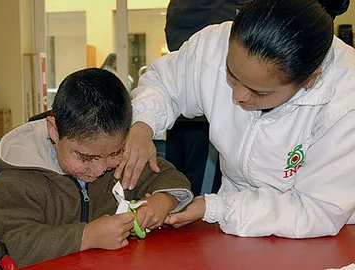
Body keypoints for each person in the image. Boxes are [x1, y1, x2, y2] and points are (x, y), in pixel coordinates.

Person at [114, 0, 355, 238]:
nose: (238, 96)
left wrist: (218, 207)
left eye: (259, 92)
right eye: (231, 74)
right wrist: (143, 123)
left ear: (310, 79)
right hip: (235, 224)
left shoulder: (345, 99)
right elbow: (165, 84)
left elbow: (316, 210)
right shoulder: (215, 44)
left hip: (323, 234)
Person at [0, 68, 192, 266]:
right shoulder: (18, 180)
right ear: (54, 132)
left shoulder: (123, 162)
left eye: (114, 153)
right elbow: (9, 244)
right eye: (86, 157)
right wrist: (87, 237)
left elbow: (168, 177)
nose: (100, 168)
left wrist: (162, 201)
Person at [164, 0, 250, 196]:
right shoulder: (223, 10)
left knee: (177, 188)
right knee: (199, 195)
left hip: (181, 114)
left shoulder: (180, 7)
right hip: (207, 116)